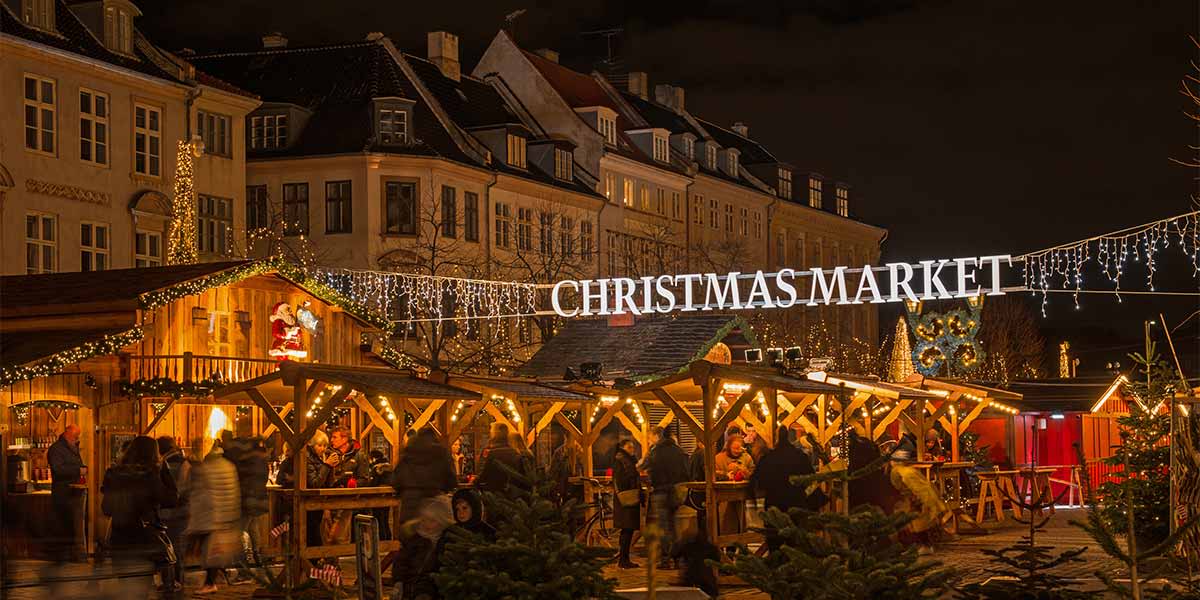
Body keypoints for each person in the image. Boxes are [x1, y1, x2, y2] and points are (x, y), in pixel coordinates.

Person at [101, 436, 178, 599]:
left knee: (126, 589)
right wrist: (163, 471)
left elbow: (106, 508)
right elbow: (171, 499)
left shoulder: (113, 474)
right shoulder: (150, 476)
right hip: (143, 539)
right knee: (140, 590)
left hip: (120, 539)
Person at [751, 426, 826, 552]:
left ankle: (776, 568)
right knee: (795, 545)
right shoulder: (800, 456)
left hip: (774, 506)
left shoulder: (769, 458)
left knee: (775, 544)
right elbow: (810, 479)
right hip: (796, 505)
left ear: (776, 438)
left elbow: (758, 481)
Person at [186, 442, 242, 595]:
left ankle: (210, 582)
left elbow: (202, 496)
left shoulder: (207, 469)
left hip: (212, 517)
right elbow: (234, 493)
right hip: (226, 516)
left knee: (209, 553)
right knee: (214, 553)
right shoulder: (230, 466)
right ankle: (212, 580)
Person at [221, 433, 269, 580]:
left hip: (247, 499)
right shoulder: (261, 459)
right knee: (253, 529)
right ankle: (258, 559)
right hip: (258, 498)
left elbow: (238, 478)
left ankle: (245, 570)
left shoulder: (244, 459)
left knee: (239, 532)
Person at [277, 431, 335, 548]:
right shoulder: (306, 459)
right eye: (320, 445)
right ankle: (311, 561)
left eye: (325, 446)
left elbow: (327, 483)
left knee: (311, 532)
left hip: (312, 502)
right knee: (310, 533)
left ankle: (312, 560)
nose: (323, 449)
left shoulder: (316, 459)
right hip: (305, 502)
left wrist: (330, 467)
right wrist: (327, 466)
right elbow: (314, 483)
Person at [888, 445, 949, 555]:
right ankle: (921, 545)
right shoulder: (906, 470)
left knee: (918, 524)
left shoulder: (903, 472)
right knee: (915, 524)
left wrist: (918, 501)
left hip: (918, 501)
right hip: (917, 500)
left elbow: (917, 488)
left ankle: (924, 546)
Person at [392, 428, 457, 528]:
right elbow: (452, 481)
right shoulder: (441, 452)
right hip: (433, 508)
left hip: (409, 506)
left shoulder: (408, 452)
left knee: (409, 538)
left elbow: (396, 480)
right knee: (434, 538)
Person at [645, 425, 689, 566]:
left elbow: (647, 467)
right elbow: (686, 472)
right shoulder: (679, 450)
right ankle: (677, 558)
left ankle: (665, 559)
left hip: (660, 491)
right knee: (674, 525)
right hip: (677, 492)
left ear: (660, 436)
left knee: (664, 527)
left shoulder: (656, 451)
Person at [47, 424, 85, 564]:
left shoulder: (71, 448)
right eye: (75, 436)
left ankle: (70, 554)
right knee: (62, 524)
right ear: (67, 434)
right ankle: (61, 556)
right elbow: (57, 470)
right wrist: (78, 471)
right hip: (62, 493)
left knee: (70, 524)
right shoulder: (56, 449)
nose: (77, 439)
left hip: (73, 492)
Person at [157, 436, 190, 591]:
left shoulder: (165, 464)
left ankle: (171, 581)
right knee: (177, 548)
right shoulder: (184, 462)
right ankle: (177, 580)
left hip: (169, 511)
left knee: (168, 548)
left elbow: (174, 489)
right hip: (182, 511)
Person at [612, 438, 642, 569]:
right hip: (626, 499)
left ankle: (624, 558)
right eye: (629, 447)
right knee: (627, 529)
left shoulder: (626, 459)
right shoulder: (621, 460)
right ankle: (623, 560)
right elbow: (621, 478)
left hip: (627, 498)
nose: (632, 450)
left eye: (633, 447)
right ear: (623, 447)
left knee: (627, 529)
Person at [476, 422, 524, 493]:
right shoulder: (514, 452)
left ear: (494, 434)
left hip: (495, 492)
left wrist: (476, 481)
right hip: (511, 491)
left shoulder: (492, 453)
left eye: (491, 431)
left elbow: (485, 474)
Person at [366, 450, 394, 540]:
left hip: (377, 496)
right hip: (388, 496)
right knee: (385, 519)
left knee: (378, 519)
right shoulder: (389, 467)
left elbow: (373, 483)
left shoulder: (376, 469)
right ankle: (388, 538)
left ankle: (380, 540)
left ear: (373, 458)